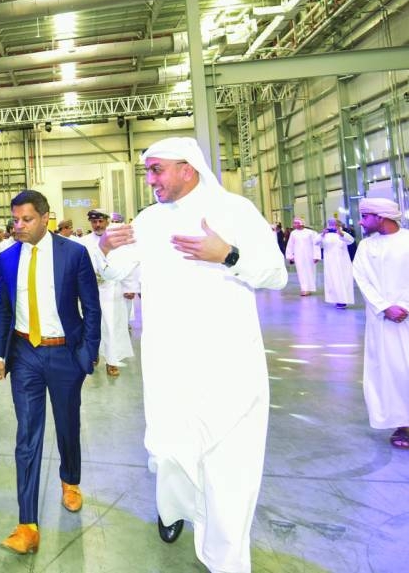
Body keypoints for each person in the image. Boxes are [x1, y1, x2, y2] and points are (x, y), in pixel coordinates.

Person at [98, 137, 287, 573]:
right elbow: (116, 271)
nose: (150, 181)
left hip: (227, 359)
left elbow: (276, 273)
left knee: (227, 456)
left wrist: (229, 255)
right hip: (168, 358)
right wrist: (106, 248)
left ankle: (225, 557)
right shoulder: (147, 220)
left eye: (157, 170)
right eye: (148, 172)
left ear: (188, 168)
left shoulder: (235, 211)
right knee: (169, 449)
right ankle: (173, 510)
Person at [0, 190, 101, 555]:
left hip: (64, 353)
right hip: (24, 355)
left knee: (67, 424)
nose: (18, 227)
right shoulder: (7, 259)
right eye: (15, 221)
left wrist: (87, 352)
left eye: (26, 220)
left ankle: (70, 480)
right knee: (27, 436)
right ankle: (27, 524)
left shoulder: (74, 254)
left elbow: (92, 307)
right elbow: (5, 309)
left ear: (45, 217)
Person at [351, 197, 409, 451]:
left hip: (405, 316)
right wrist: (384, 307)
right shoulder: (366, 246)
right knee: (390, 371)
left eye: (366, 217)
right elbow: (361, 278)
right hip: (382, 320)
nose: (362, 222)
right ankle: (403, 422)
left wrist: (404, 306)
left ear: (381, 217)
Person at [79, 209, 134, 377]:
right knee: (90, 325)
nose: (97, 225)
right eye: (94, 222)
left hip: (112, 289)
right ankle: (93, 354)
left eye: (100, 221)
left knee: (111, 326)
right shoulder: (83, 242)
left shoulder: (116, 238)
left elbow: (127, 262)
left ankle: (111, 361)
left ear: (107, 221)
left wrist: (128, 286)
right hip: (89, 289)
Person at [316, 218, 355, 308]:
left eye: (334, 224)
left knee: (342, 280)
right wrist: (322, 234)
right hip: (330, 262)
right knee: (332, 280)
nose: (332, 226)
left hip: (342, 262)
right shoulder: (325, 235)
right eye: (330, 224)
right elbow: (315, 242)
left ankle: (343, 300)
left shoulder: (342, 234)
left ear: (339, 225)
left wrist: (341, 234)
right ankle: (336, 299)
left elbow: (351, 241)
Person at [285, 217, 320, 295]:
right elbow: (290, 245)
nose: (294, 225)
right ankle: (304, 289)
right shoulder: (293, 233)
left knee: (310, 271)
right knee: (301, 271)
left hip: (310, 255)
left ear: (301, 224)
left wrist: (316, 256)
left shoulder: (311, 232)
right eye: (294, 223)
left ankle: (310, 288)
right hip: (298, 256)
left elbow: (316, 244)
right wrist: (290, 256)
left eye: (296, 223)